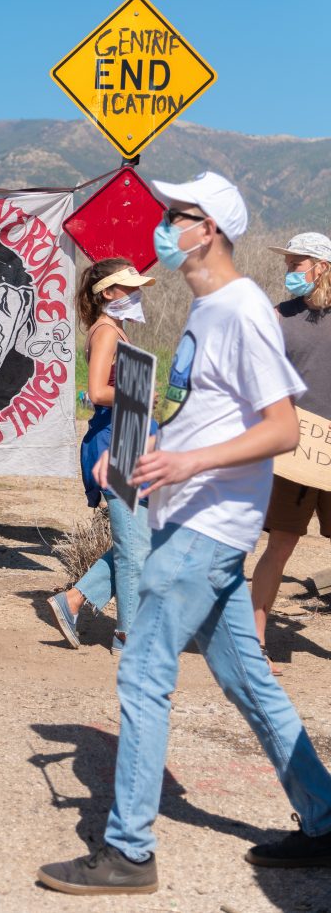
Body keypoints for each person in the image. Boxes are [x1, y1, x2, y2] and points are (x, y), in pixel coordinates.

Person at [37, 172, 331, 896]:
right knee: (248, 680)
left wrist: (188, 461)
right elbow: (204, 416)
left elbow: (280, 428)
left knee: (142, 675)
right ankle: (327, 818)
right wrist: (137, 452)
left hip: (205, 529)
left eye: (179, 216)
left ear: (212, 230)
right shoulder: (205, 311)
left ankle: (128, 852)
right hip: (200, 524)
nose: (165, 228)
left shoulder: (240, 311)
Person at [48, 259, 155, 653]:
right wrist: (141, 394)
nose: (137, 293)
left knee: (139, 541)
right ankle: (128, 635)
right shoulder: (108, 332)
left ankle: (73, 600)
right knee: (133, 546)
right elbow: (95, 391)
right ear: (108, 292)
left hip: (127, 436)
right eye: (129, 287)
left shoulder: (116, 330)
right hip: (114, 439)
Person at [251, 232, 331, 672]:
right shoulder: (278, 316)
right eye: (287, 264)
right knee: (281, 543)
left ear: (320, 266)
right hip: (295, 452)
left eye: (296, 263)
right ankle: (255, 643)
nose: (289, 272)